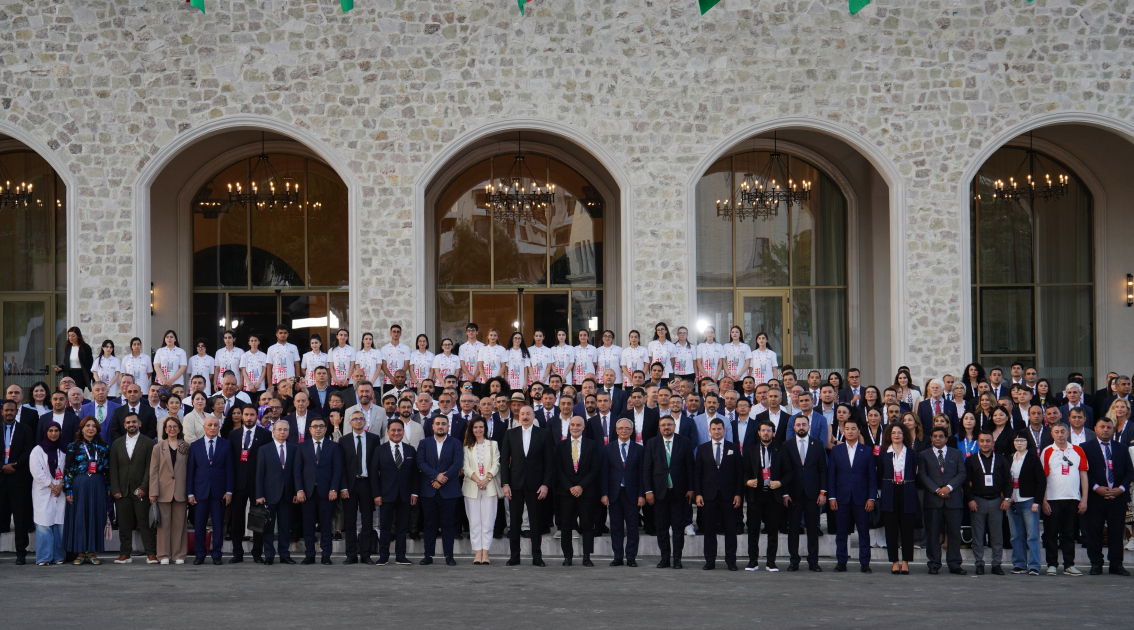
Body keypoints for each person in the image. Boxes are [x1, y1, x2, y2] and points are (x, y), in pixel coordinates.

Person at [500, 405, 554, 566]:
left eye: (528, 414)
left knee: (535, 522)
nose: (525, 416)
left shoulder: (544, 434)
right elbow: (504, 461)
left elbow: (549, 463)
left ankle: (537, 557)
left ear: (533, 416)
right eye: (522, 413)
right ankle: (514, 557)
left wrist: (545, 484)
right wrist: (505, 483)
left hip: (536, 485)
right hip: (515, 484)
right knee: (515, 522)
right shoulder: (510, 434)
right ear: (518, 416)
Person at [1080, 416, 1131, 575]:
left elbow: (1130, 471)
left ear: (1113, 430)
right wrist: (1096, 488)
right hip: (1095, 497)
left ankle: (1116, 564)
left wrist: (1121, 488)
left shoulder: (1122, 447)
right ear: (1095, 429)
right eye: (1102, 427)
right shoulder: (1085, 447)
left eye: (1109, 427)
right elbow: (1083, 472)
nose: (1105, 430)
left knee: (1117, 532)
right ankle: (1096, 563)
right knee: (1094, 531)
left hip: (1118, 497)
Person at [826, 417, 876, 573]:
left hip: (862, 498)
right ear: (843, 431)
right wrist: (832, 497)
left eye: (853, 428)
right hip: (841, 498)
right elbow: (831, 475)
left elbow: (872, 477)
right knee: (841, 532)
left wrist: (871, 498)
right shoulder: (836, 450)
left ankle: (865, 563)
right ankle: (841, 562)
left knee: (863, 533)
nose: (850, 431)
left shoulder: (867, 450)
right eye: (847, 429)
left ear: (858, 431)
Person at [108, 412, 157, 564]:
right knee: (124, 523)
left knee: (145, 523)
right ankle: (125, 553)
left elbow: (151, 467)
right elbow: (113, 468)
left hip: (141, 490)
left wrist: (144, 487)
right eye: (128, 422)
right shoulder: (117, 444)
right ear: (124, 425)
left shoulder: (148, 442)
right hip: (122, 491)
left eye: (134, 422)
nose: (131, 425)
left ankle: (151, 553)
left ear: (140, 424)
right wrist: (115, 489)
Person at [693, 417, 741, 570]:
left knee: (730, 530)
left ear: (724, 430)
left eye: (719, 429)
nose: (717, 431)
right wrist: (698, 494)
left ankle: (731, 561)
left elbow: (739, 474)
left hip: (729, 495)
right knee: (709, 530)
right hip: (708, 495)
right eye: (714, 429)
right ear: (709, 431)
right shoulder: (703, 448)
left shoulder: (733, 447)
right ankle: (710, 560)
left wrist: (738, 494)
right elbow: (698, 473)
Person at [741, 419, 790, 571]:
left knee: (772, 530)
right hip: (755, 495)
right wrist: (747, 482)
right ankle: (753, 561)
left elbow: (789, 472)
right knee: (753, 530)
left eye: (769, 430)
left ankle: (771, 562)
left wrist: (780, 483)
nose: (766, 433)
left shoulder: (781, 450)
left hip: (773, 496)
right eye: (763, 430)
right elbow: (744, 472)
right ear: (759, 432)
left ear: (773, 433)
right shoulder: (751, 451)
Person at [919, 426, 967, 574]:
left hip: (953, 500)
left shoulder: (957, 453)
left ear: (946, 438)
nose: (937, 439)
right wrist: (937, 490)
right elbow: (922, 475)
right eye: (934, 436)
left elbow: (962, 473)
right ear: (931, 438)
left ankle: (954, 564)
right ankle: (933, 564)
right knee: (933, 534)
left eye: (941, 436)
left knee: (953, 534)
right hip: (933, 500)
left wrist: (948, 488)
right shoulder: (924, 454)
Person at [185, 416, 233, 565]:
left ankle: (217, 554)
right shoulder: (195, 445)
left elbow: (230, 469)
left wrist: (229, 491)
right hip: (200, 491)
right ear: (204, 427)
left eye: (215, 425)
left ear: (219, 427)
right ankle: (200, 554)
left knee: (218, 524)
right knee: (199, 524)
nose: (213, 427)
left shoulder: (226, 445)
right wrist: (190, 492)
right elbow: (191, 470)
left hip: (219, 491)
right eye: (210, 425)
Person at [416, 414, 462, 565]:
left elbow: (457, 464)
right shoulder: (424, 443)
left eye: (444, 423)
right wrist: (436, 476)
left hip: (449, 491)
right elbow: (421, 463)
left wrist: (442, 479)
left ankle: (449, 556)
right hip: (428, 490)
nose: (441, 426)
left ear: (448, 427)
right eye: (438, 424)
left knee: (448, 524)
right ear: (433, 426)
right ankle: (428, 555)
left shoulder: (455, 443)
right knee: (429, 524)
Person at [963, 431, 1012, 575]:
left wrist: (1007, 498)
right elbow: (966, 482)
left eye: (988, 441)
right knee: (978, 536)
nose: (985, 444)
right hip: (977, 501)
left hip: (997, 501)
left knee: (997, 536)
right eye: (982, 441)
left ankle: (996, 564)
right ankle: (979, 563)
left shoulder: (1001, 460)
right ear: (978, 443)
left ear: (993, 443)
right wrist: (970, 499)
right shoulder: (971, 460)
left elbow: (1008, 481)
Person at [63, 416, 110, 564]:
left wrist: (108, 486)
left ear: (97, 429)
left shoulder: (103, 447)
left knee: (95, 517)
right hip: (80, 484)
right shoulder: (73, 446)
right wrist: (69, 490)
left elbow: (108, 469)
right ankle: (81, 553)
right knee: (80, 517)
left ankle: (92, 552)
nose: (90, 428)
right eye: (87, 426)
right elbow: (68, 469)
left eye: (93, 426)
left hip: (98, 484)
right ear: (82, 429)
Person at [600, 418, 646, 567]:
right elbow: (604, 473)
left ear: (632, 431)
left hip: (632, 494)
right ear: (616, 430)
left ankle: (631, 557)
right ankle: (618, 556)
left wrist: (641, 495)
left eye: (627, 428)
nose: (624, 431)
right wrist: (604, 493)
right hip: (614, 493)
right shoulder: (608, 448)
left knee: (633, 527)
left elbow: (642, 474)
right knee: (616, 526)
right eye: (621, 428)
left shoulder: (639, 449)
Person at [372, 418, 418, 565]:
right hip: (386, 495)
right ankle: (383, 556)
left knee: (402, 527)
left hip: (405, 495)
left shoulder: (411, 450)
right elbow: (374, 474)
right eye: (393, 430)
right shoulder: (380, 450)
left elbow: (415, 474)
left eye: (399, 430)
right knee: (385, 527)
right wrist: (377, 494)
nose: (396, 433)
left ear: (403, 432)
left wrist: (414, 493)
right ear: (388, 432)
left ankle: (400, 555)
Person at [784, 414, 827, 571]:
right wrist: (785, 493)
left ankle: (813, 561)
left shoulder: (818, 444)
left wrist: (823, 492)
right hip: (793, 494)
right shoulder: (787, 445)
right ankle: (794, 561)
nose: (801, 427)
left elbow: (823, 469)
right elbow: (784, 471)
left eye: (804, 424)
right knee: (793, 529)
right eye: (798, 425)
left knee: (813, 529)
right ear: (794, 427)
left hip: (813, 494)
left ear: (809, 427)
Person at [229, 405, 271, 563]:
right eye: (246, 414)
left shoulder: (265, 435)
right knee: (237, 521)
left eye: (252, 415)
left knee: (258, 520)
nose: (248, 417)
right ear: (241, 416)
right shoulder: (233, 435)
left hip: (257, 484)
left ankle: (257, 553)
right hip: (238, 484)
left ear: (257, 417)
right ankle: (237, 553)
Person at [552, 415, 596, 566]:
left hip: (586, 492)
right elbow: (558, 469)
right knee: (566, 526)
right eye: (572, 425)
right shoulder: (561, 446)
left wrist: (581, 486)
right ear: (568, 426)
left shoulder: (592, 445)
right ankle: (567, 557)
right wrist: (570, 487)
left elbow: (594, 469)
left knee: (587, 525)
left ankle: (587, 557)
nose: (575, 427)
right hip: (566, 492)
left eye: (578, 425)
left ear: (584, 427)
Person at [255, 419, 298, 564]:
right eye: (279, 429)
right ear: (273, 432)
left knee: (285, 526)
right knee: (268, 527)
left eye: (285, 430)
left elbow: (295, 473)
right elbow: (259, 473)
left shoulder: (294, 449)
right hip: (268, 494)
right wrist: (259, 494)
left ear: (289, 432)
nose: (282, 432)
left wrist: (296, 492)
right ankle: (269, 555)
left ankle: (284, 554)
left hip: (287, 494)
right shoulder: (264, 449)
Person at [339, 410, 380, 564]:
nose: (358, 421)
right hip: (349, 486)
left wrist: (376, 489)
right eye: (355, 419)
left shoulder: (374, 439)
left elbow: (376, 465)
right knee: (349, 522)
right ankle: (351, 555)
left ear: (365, 422)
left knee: (367, 521)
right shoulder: (344, 441)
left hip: (367, 484)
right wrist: (343, 487)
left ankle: (366, 554)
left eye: (361, 418)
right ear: (350, 423)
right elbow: (340, 466)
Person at [148, 416, 190, 565]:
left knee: (180, 524)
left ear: (179, 429)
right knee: (163, 525)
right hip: (163, 491)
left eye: (175, 426)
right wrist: (153, 492)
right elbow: (153, 471)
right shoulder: (158, 447)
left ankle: (179, 554)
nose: (172, 429)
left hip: (181, 490)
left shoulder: (185, 446)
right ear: (165, 429)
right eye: (169, 426)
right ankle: (163, 554)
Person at [879, 422, 917, 574]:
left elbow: (915, 474)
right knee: (891, 529)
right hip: (889, 492)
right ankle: (894, 561)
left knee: (907, 529)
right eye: (893, 432)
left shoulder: (912, 453)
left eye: (899, 432)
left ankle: (906, 561)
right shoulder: (883, 453)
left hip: (907, 491)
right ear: (889, 435)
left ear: (904, 435)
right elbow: (879, 474)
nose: (896, 435)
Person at [462, 416, 500, 565]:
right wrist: (478, 480)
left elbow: (497, 463)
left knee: (488, 522)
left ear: (485, 428)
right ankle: (477, 553)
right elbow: (465, 466)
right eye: (475, 427)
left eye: (481, 427)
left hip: (489, 487)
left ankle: (486, 554)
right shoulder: (466, 447)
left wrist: (487, 479)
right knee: (475, 522)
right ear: (471, 430)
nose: (478, 430)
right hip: (472, 486)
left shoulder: (493, 444)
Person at [1007, 430, 1046, 576]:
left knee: (1032, 535)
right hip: (1013, 500)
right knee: (1016, 535)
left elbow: (1041, 481)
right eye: (1017, 441)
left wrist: (1037, 501)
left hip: (1029, 501)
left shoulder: (1033, 458)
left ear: (1027, 442)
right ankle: (1019, 564)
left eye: (1022, 440)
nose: (1019, 443)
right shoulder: (1010, 458)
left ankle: (1034, 565)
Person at [1, 400, 35, 564]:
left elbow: (28, 451)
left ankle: (21, 553)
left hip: (19, 478)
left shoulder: (25, 430)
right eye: (6, 410)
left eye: (12, 410)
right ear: (2, 412)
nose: (9, 413)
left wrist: (13, 466)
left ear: (16, 412)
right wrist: (2, 467)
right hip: (1, 478)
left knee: (20, 519)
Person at [30, 420, 67, 565]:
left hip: (60, 491)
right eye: (50, 431)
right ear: (46, 432)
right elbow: (37, 472)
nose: (53, 433)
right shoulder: (37, 450)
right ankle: (44, 557)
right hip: (44, 491)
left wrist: (61, 485)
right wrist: (52, 485)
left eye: (56, 431)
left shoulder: (63, 449)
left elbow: (67, 469)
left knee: (60, 524)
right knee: (44, 524)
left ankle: (59, 556)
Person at [55, 326, 94, 391]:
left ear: (78, 336)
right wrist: (60, 368)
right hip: (69, 373)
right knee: (68, 393)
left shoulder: (85, 348)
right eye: (69, 336)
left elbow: (90, 364)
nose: (71, 338)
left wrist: (93, 379)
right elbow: (67, 363)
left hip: (80, 374)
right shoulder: (68, 347)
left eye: (73, 336)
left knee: (77, 392)